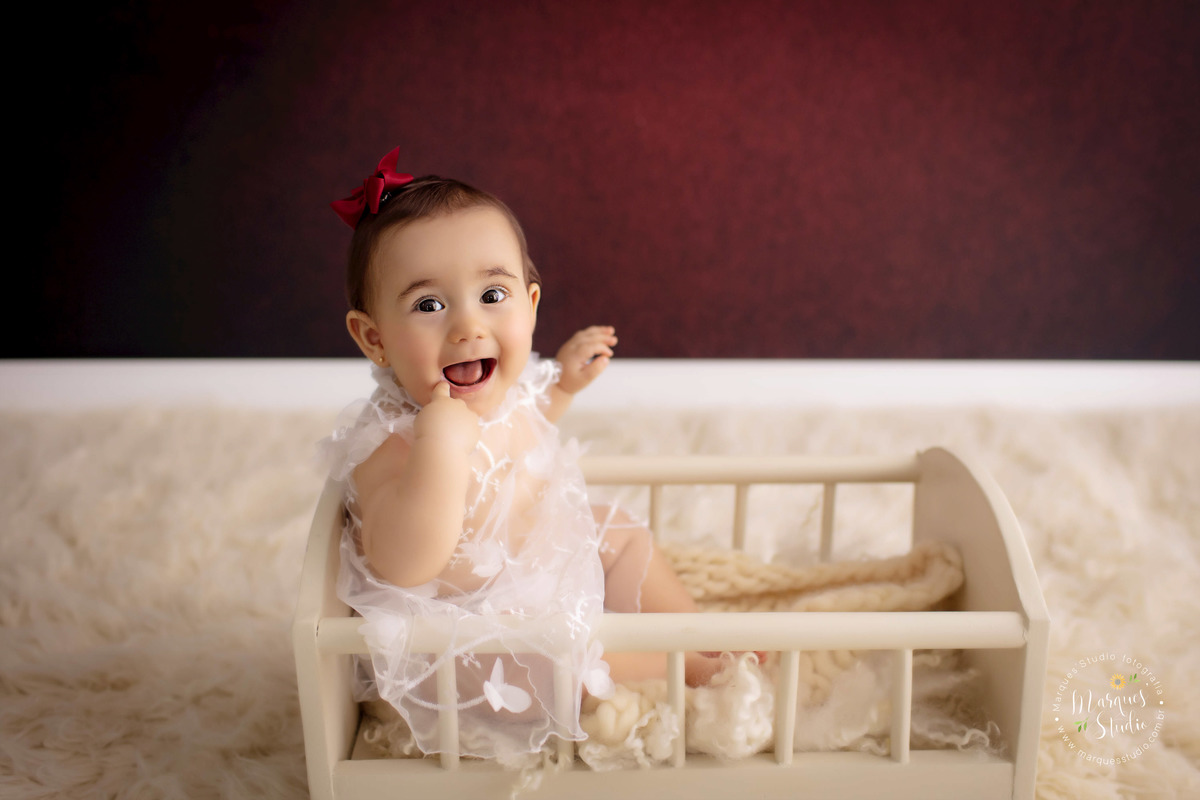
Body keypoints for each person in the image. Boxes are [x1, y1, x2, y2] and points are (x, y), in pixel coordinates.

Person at [322, 148, 726, 764]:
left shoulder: (499, 396)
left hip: (533, 571)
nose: (467, 325)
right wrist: (440, 446)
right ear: (373, 337)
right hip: (465, 636)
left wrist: (561, 385)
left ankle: (699, 637)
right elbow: (404, 564)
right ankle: (691, 671)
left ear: (530, 307)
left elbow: (526, 428)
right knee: (558, 653)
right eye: (429, 305)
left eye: (492, 294)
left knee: (616, 526)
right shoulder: (390, 445)